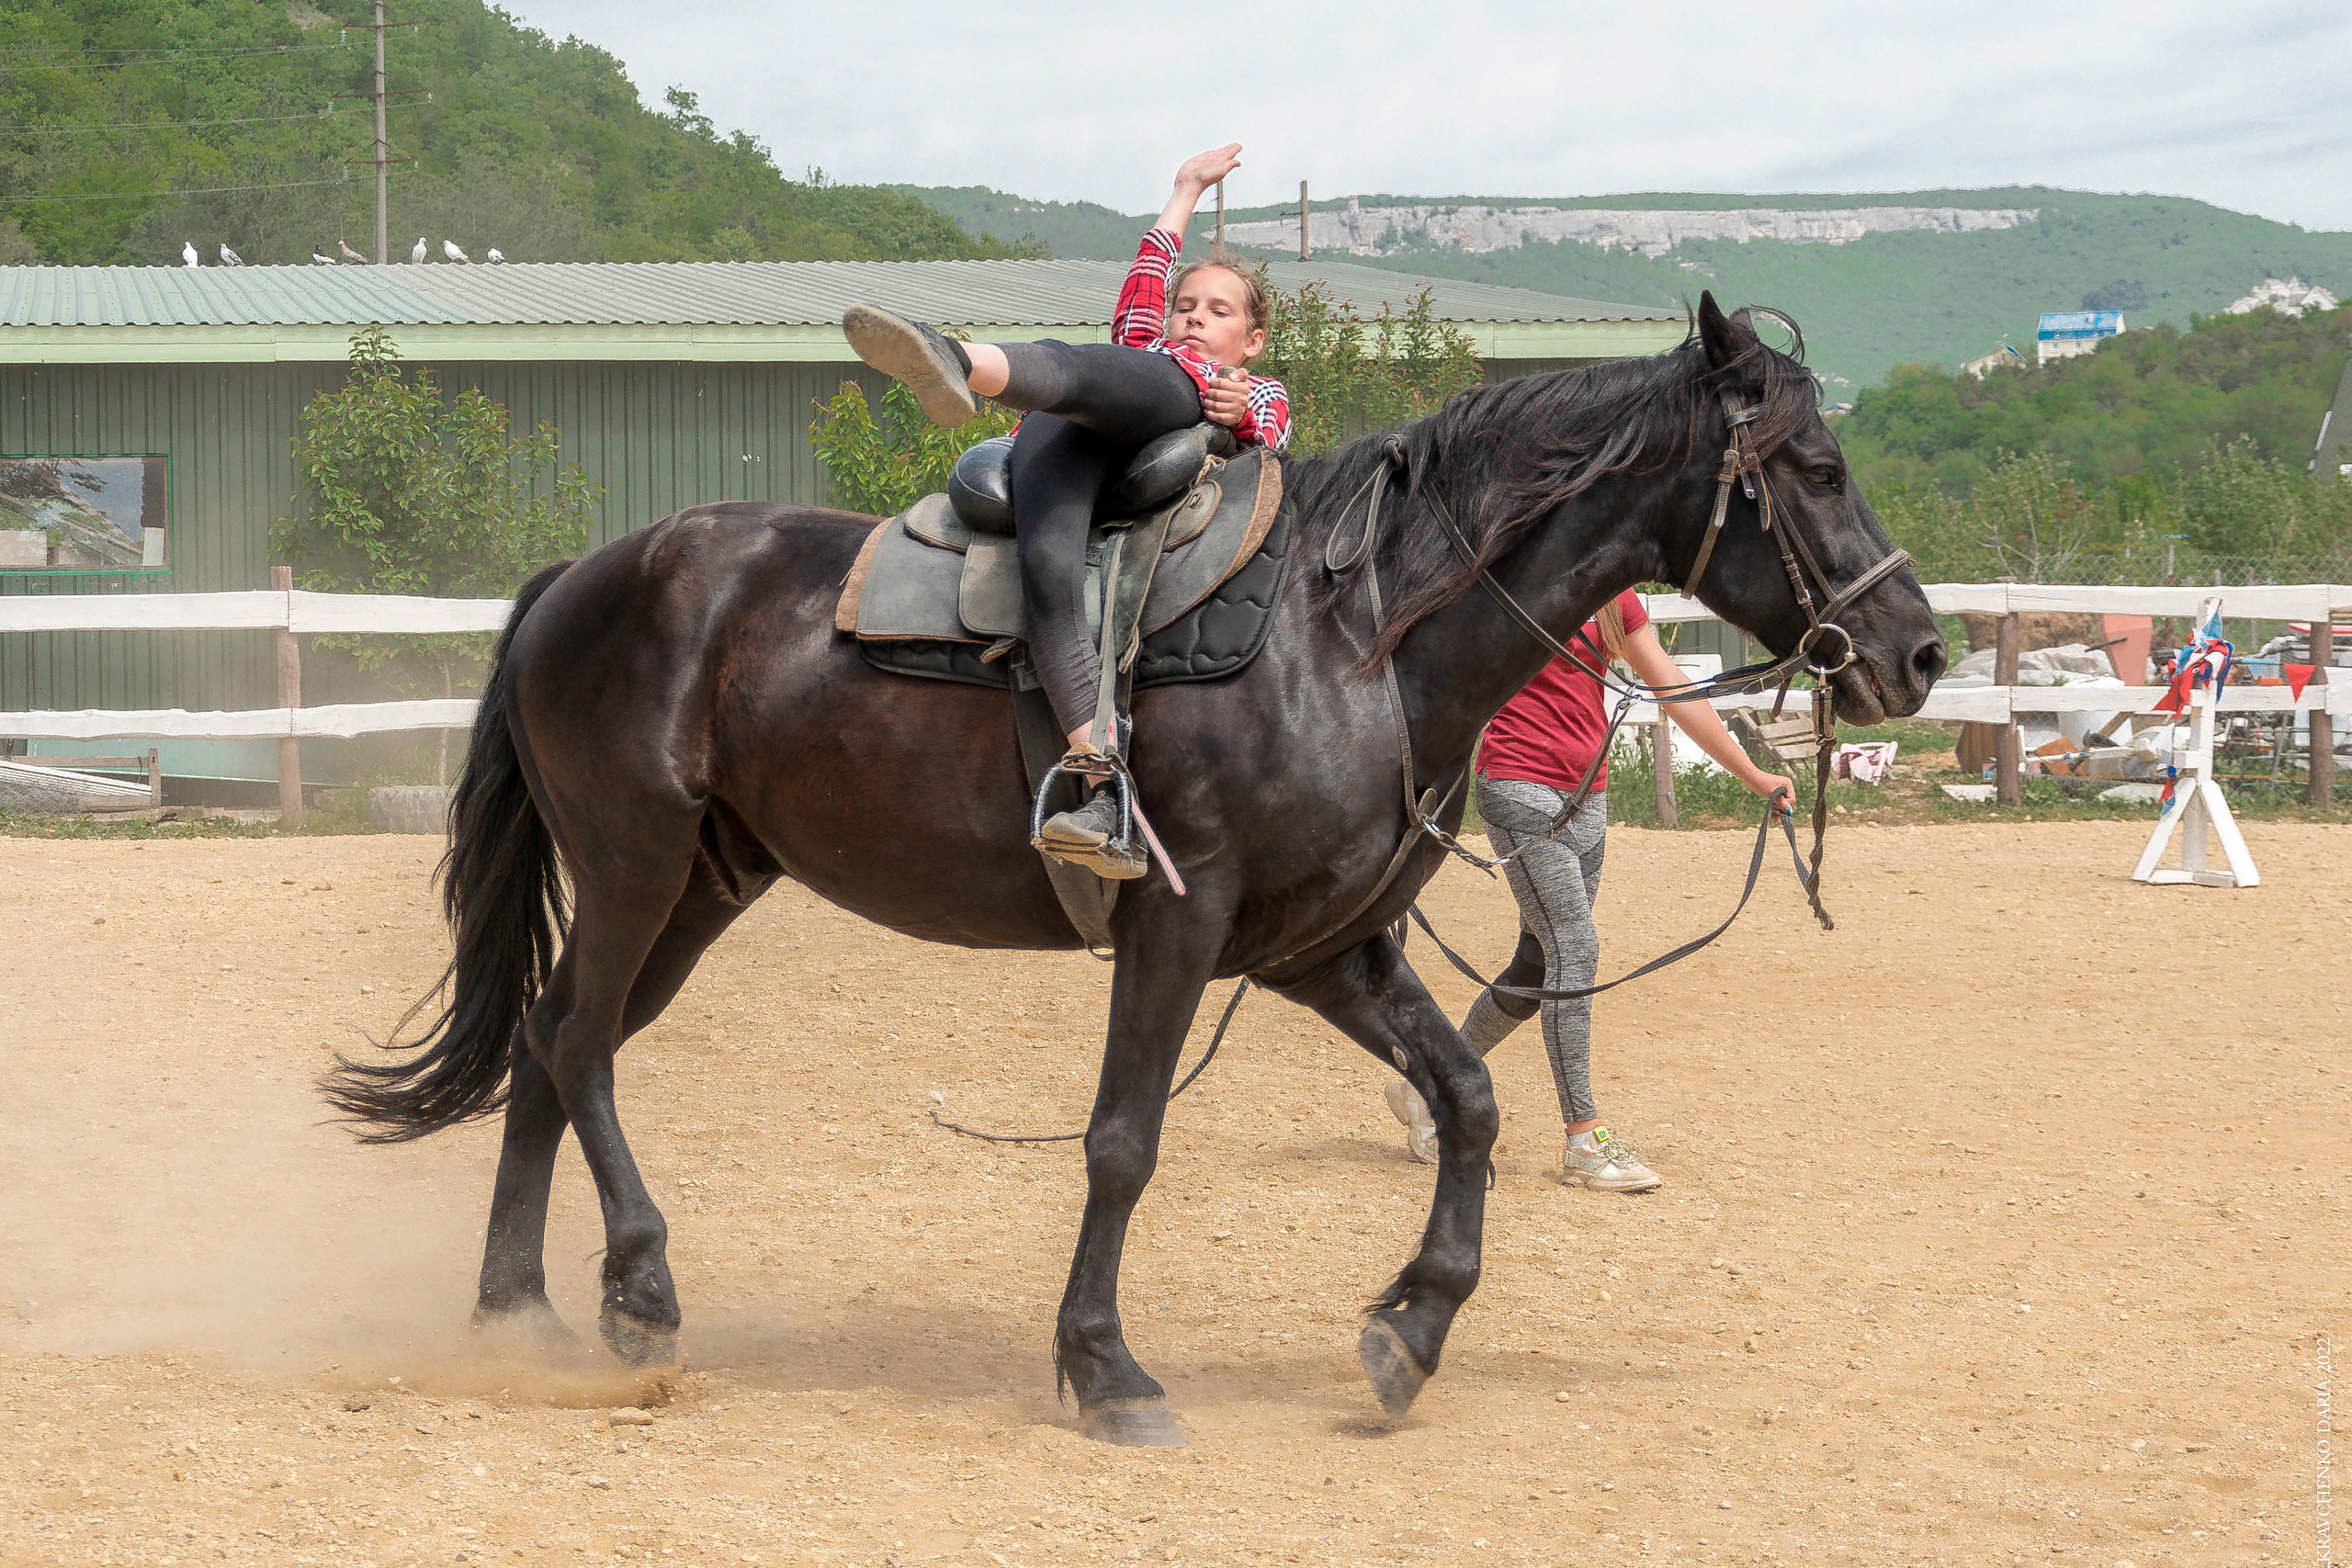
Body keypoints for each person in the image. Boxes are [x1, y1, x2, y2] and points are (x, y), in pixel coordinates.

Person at [841, 144, 1290, 877]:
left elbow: (1273, 434)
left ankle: (959, 357)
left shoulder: (1240, 383)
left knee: (1115, 371)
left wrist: (1238, 414)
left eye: (1218, 311)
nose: (1194, 319)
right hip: (1068, 427)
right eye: (1185, 307)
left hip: (1170, 409)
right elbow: (1148, 273)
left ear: (1253, 340)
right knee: (1047, 569)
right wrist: (1183, 189)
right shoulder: (1147, 342)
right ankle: (1099, 777)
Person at [1382, 594, 1793, 1191]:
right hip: (1519, 790)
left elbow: (1673, 687)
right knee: (1575, 949)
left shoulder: (1615, 598)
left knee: (1536, 964)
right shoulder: (1518, 571)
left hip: (1588, 800)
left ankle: (1428, 1083)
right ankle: (1583, 1139)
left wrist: (1753, 775)